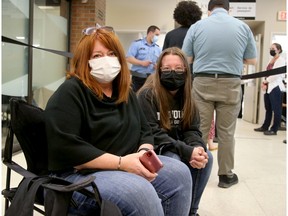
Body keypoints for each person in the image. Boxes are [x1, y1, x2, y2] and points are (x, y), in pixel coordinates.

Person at [44, 25, 193, 216]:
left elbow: (145, 130)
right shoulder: (70, 92)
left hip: (125, 161)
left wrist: (144, 152)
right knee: (139, 192)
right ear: (84, 61)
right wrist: (122, 163)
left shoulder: (125, 93)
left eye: (111, 53)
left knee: (179, 174)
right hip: (79, 175)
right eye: (97, 56)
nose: (106, 60)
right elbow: (67, 149)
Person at [182, 0, 257, 188]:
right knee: (226, 134)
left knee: (199, 131)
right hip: (231, 84)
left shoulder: (197, 27)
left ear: (209, 10)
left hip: (202, 83)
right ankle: (225, 176)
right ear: (229, 9)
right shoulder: (242, 27)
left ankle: (196, 171)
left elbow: (186, 59)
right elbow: (252, 60)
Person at [137, 47, 212, 216]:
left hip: (177, 144)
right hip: (153, 150)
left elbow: (192, 129)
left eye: (178, 69)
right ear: (159, 70)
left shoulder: (188, 97)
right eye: (167, 69)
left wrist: (197, 148)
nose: (173, 73)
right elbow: (153, 134)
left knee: (207, 158)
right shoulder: (147, 95)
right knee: (176, 161)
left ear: (186, 70)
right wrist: (187, 151)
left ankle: (191, 211)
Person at [254, 43, 286, 135]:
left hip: (276, 87)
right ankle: (265, 126)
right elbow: (266, 73)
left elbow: (276, 75)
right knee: (268, 108)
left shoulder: (281, 60)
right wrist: (264, 82)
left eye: (273, 48)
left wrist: (265, 81)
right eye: (270, 48)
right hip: (268, 86)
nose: (271, 50)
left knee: (277, 109)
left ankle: (274, 129)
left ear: (279, 50)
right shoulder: (271, 60)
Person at [126, 25, 161, 92]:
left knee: (149, 98)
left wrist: (158, 66)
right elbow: (128, 58)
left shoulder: (158, 48)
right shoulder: (137, 44)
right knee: (137, 98)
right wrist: (142, 63)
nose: (157, 37)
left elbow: (159, 63)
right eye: (156, 35)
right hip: (138, 78)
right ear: (150, 33)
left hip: (151, 79)